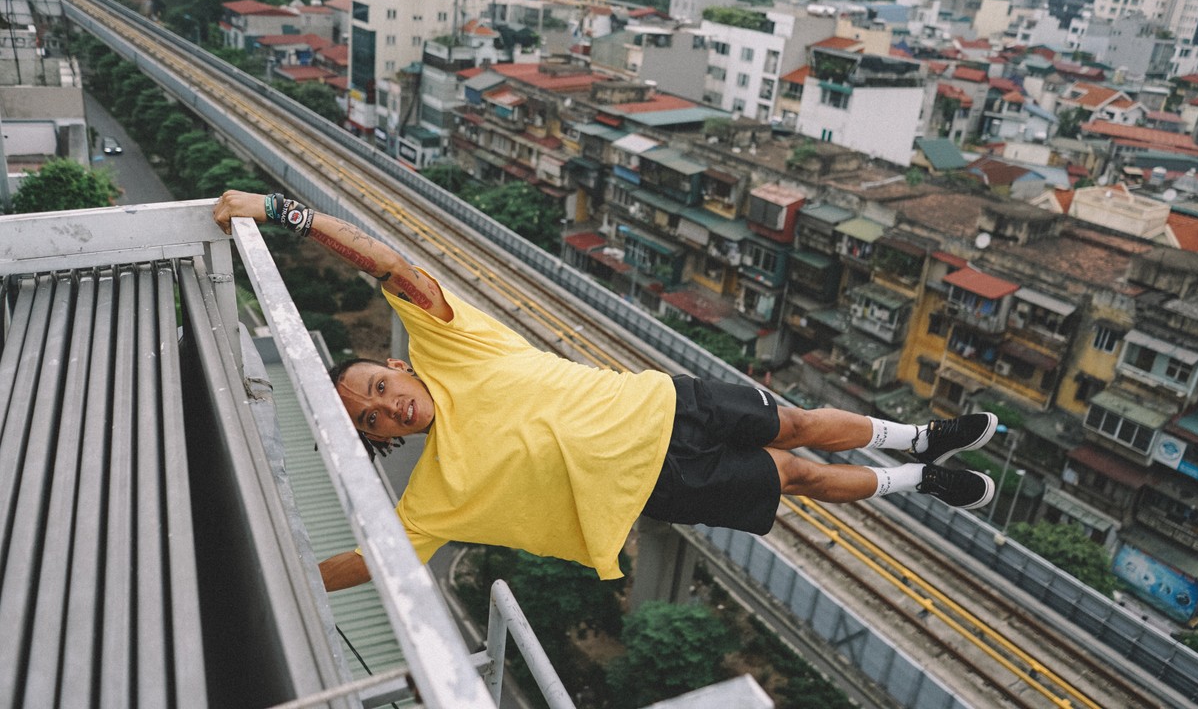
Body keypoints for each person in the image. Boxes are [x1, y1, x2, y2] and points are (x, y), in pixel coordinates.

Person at [212, 190, 999, 591]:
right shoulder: (434, 496)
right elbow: (376, 561)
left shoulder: (449, 343)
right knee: (798, 476)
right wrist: (271, 575)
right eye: (375, 417)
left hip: (665, 402)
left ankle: (921, 438)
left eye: (380, 384)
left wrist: (283, 212)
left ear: (402, 365)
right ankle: (919, 480)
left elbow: (389, 266)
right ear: (383, 437)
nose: (390, 404)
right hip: (659, 482)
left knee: (792, 421)